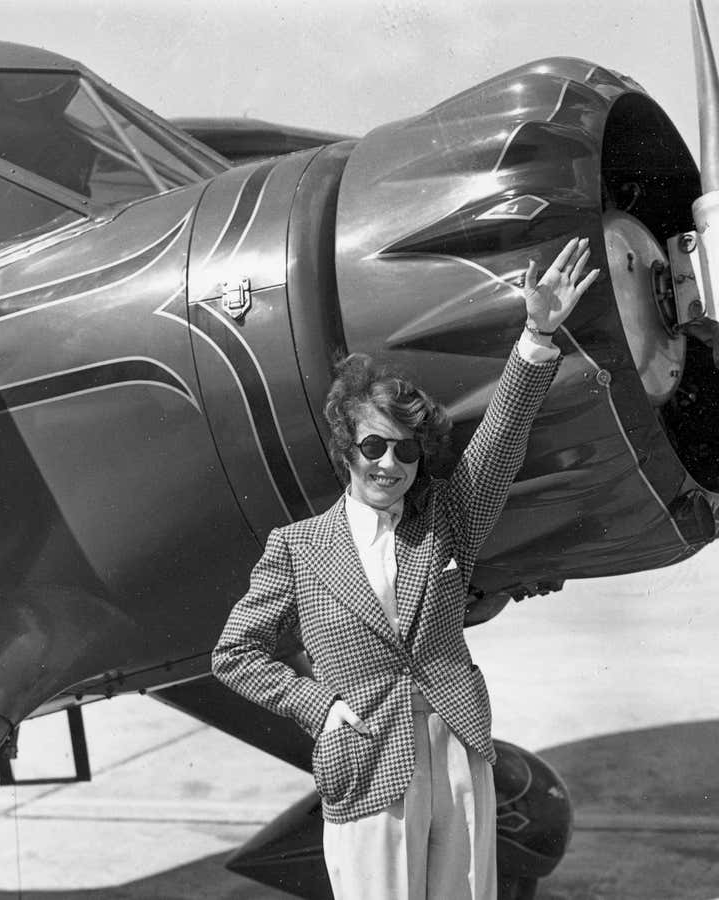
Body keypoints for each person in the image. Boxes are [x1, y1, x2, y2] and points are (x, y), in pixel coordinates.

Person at [213, 237, 599, 899]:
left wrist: (537, 334)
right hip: (364, 755)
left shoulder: (447, 519)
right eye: (373, 446)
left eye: (406, 451)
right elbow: (235, 652)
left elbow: (500, 441)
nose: (388, 465)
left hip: (457, 745)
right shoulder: (297, 548)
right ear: (347, 450)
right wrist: (322, 707)